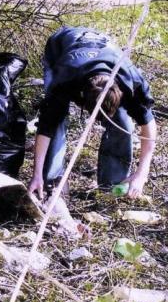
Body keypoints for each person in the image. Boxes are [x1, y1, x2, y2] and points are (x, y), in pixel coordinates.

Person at [28, 26, 156, 200]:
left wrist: (142, 174)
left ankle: (112, 185)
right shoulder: (65, 79)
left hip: (102, 46)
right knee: (56, 121)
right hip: (61, 46)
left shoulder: (132, 82)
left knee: (123, 123)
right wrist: (36, 174)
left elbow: (148, 127)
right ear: (81, 95)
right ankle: (52, 181)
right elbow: (45, 128)